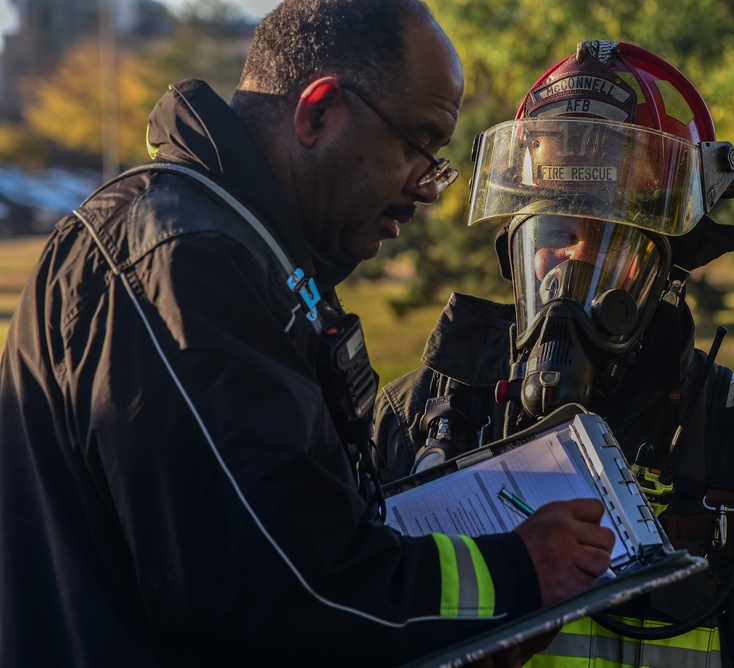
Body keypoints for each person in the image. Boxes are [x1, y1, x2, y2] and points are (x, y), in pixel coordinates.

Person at [0, 2, 617, 665]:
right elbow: (284, 585)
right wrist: (516, 573)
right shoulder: (184, 263)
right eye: (418, 146)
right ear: (318, 113)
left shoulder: (241, 251)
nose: (427, 189)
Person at [374, 40, 734, 666]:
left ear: (665, 267)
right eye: (557, 233)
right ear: (514, 251)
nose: (574, 264)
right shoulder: (418, 420)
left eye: (611, 238)